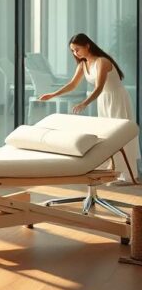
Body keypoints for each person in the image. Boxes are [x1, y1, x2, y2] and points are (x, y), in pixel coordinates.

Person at [40, 33, 139, 185]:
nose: (75, 53)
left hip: (116, 99)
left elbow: (99, 87)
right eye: (73, 51)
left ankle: (127, 174)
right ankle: (113, 170)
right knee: (108, 135)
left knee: (121, 134)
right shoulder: (83, 64)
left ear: (87, 45)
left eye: (77, 49)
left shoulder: (102, 62)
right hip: (103, 100)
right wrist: (53, 94)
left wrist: (84, 103)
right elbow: (72, 85)